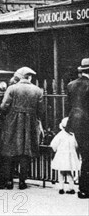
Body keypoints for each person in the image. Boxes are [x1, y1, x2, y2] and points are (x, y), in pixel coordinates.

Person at [0, 67, 43, 190]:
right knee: (25, 153)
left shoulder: (12, 88)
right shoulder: (38, 90)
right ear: (30, 77)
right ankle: (22, 182)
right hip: (30, 123)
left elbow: (4, 106)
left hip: (12, 122)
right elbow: (40, 110)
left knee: (9, 152)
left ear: (20, 77)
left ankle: (9, 181)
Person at [66, 58, 89, 199]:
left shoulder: (71, 85)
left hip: (76, 123)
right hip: (87, 122)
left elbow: (71, 105)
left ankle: (83, 188)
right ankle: (84, 189)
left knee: (84, 155)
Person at [50, 117, 81, 195]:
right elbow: (76, 145)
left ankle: (61, 188)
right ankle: (71, 187)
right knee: (69, 173)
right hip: (70, 157)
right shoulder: (72, 135)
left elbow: (53, 144)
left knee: (61, 172)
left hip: (61, 156)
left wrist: (55, 150)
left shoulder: (60, 134)